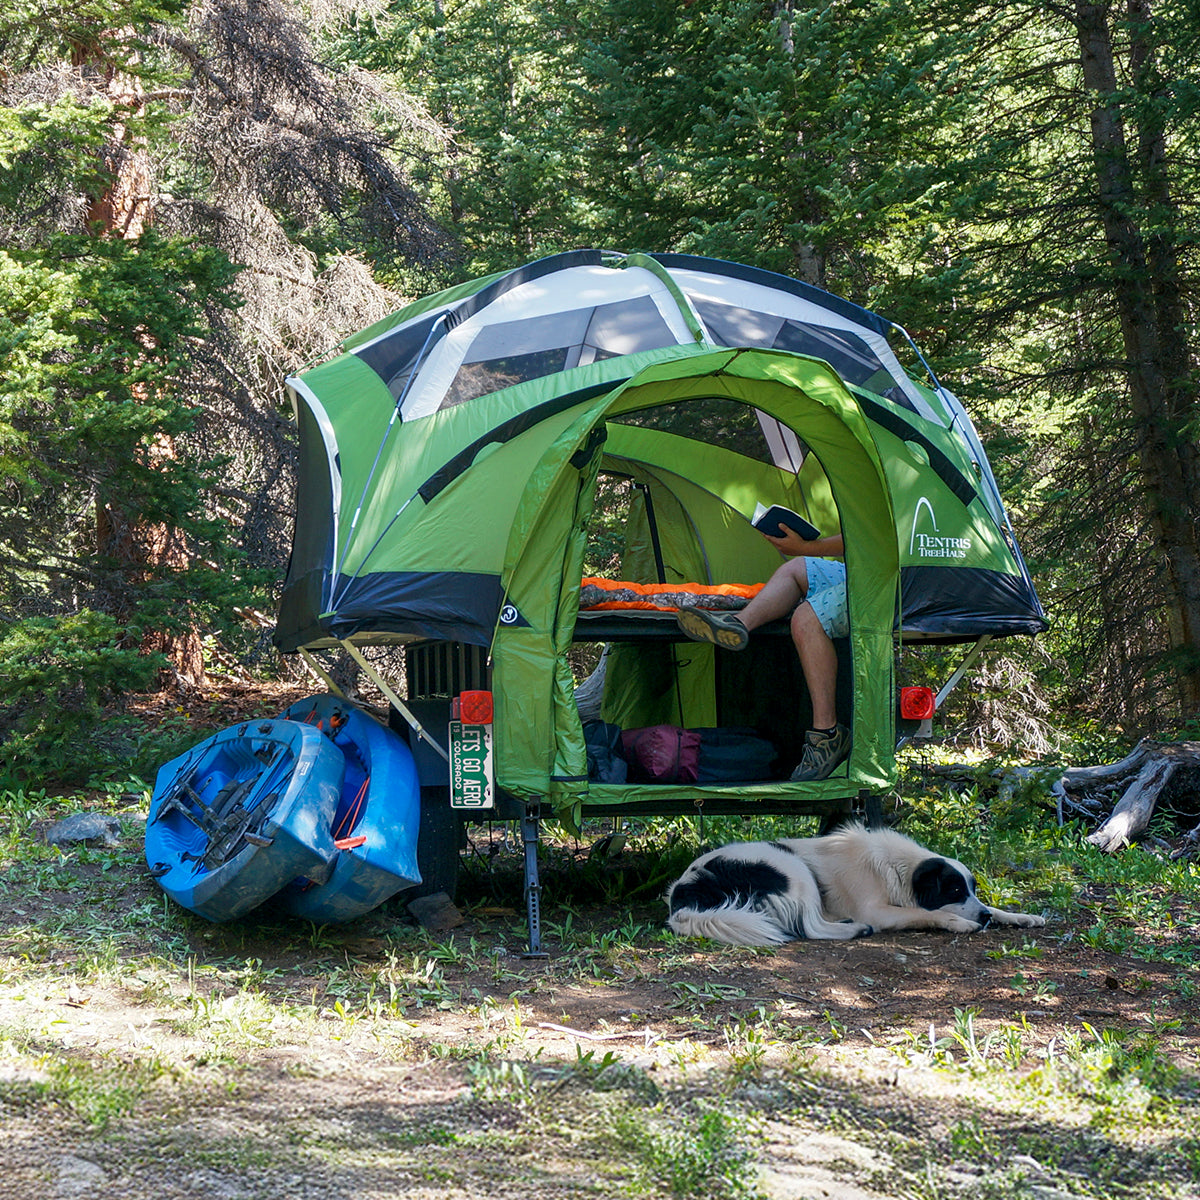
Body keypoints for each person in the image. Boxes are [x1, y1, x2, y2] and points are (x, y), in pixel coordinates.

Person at [674, 524, 850, 781]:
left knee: (807, 618)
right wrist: (805, 549)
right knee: (797, 567)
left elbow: (879, 537)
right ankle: (739, 624)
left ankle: (828, 736)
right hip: (862, 570)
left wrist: (810, 546)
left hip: (898, 580)